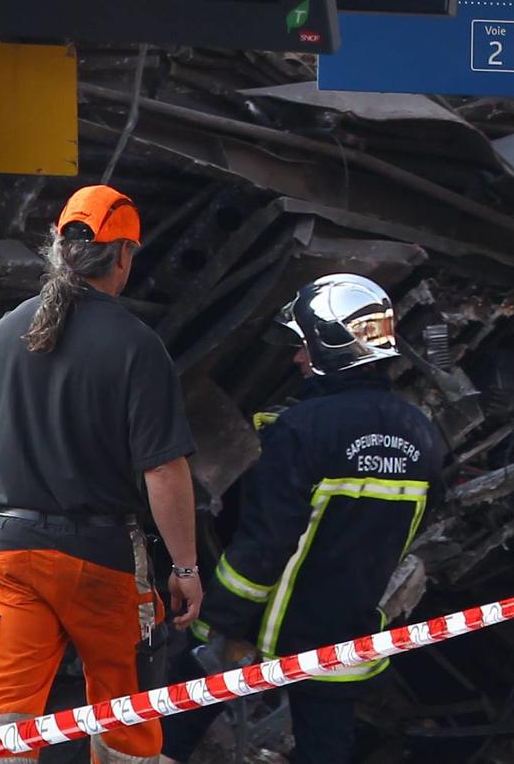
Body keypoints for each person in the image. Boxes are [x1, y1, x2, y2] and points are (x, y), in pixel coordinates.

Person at [0, 185, 202, 763]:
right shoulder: (135, 346)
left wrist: (11, 524)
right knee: (124, 710)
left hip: (14, 553)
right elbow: (163, 469)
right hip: (104, 558)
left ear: (58, 250)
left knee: (3, 713)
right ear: (121, 256)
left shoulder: (2, 335)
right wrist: (186, 566)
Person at [178, 276, 445, 764]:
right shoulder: (422, 435)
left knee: (173, 730)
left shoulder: (302, 430)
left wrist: (217, 621)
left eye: (304, 345)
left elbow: (266, 543)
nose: (297, 359)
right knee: (327, 749)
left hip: (266, 627)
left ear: (334, 344)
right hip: (344, 633)